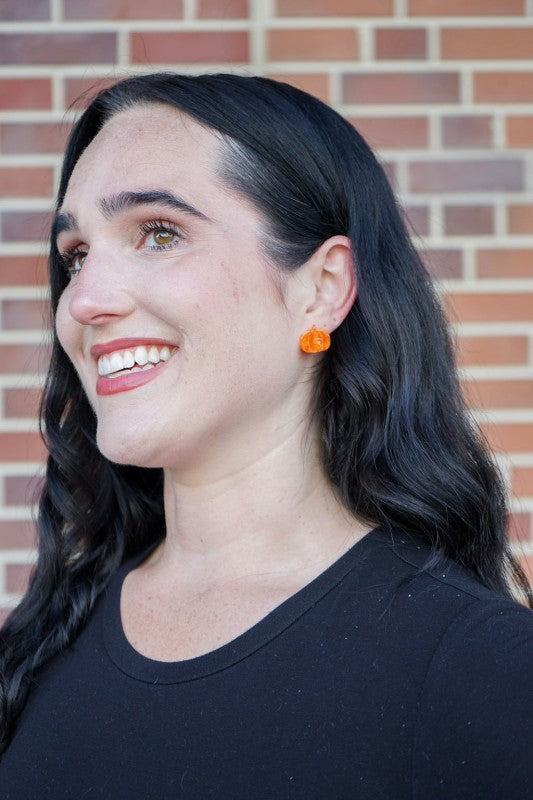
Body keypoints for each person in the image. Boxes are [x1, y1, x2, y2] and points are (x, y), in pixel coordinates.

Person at [0, 72, 531, 799]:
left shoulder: (482, 673)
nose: (82, 302)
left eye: (158, 233)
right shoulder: (39, 647)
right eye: (77, 254)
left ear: (320, 288)